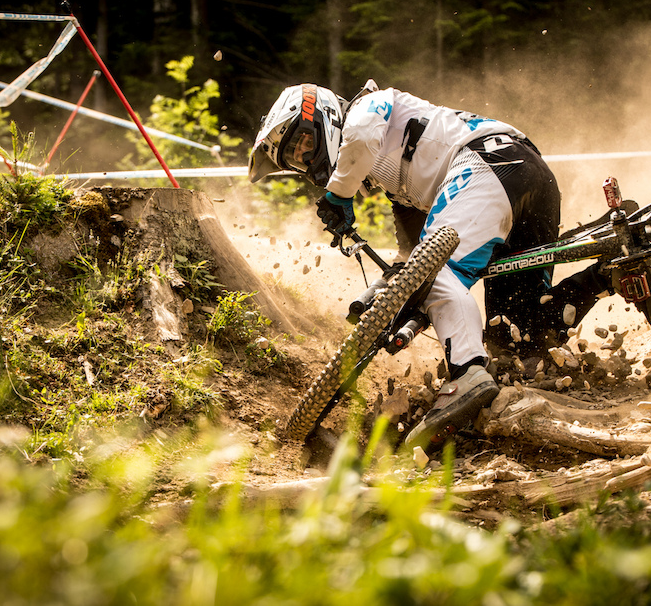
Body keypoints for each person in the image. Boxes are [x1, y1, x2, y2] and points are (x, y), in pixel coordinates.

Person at [248, 80, 610, 450]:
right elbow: (414, 248)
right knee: (517, 333)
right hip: (526, 174)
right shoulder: (394, 173)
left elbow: (359, 140)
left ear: (321, 114)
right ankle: (612, 272)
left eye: (304, 143)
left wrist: (338, 194)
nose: (305, 158)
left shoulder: (366, 108)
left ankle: (467, 373)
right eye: (294, 159)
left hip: (485, 162)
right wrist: (399, 282)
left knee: (434, 276)